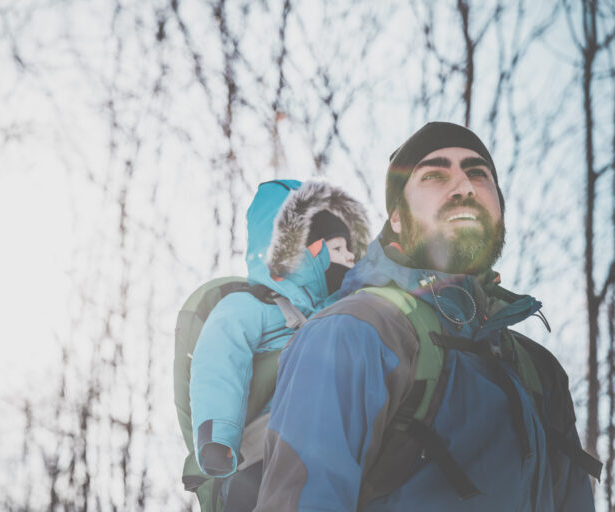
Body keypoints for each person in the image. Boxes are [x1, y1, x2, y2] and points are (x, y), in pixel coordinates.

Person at [255, 122, 598, 511]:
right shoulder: (354, 332)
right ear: (397, 219)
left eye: (477, 173)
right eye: (434, 175)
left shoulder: (541, 371)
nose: (464, 186)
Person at [190, 179, 370, 511]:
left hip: (331, 457)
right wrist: (218, 435)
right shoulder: (249, 308)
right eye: (339, 248)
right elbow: (218, 362)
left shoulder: (341, 318)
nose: (350, 257)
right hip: (262, 455)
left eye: (351, 249)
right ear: (308, 249)